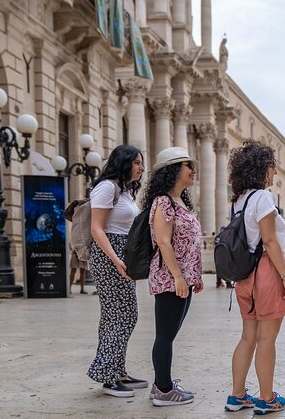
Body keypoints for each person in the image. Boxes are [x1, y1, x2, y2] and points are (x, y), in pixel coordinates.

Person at [225, 140, 285, 415]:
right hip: (266, 272)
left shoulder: (238, 201)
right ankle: (267, 398)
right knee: (267, 339)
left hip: (245, 276)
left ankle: (237, 395)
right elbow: (270, 241)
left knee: (248, 337)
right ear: (261, 168)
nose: (274, 174)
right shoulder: (263, 198)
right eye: (271, 167)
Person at [144, 147, 203, 407]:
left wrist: (194, 276)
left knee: (170, 333)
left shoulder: (181, 203)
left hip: (183, 279)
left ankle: (162, 383)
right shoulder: (163, 202)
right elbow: (164, 243)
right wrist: (179, 277)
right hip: (170, 280)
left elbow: (189, 243)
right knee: (165, 335)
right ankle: (164, 390)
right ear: (174, 170)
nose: (192, 170)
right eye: (187, 165)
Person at [86, 145, 146, 398]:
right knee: (124, 315)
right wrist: (116, 260)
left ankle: (118, 371)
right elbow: (97, 228)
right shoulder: (107, 187)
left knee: (114, 316)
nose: (141, 168)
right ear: (123, 162)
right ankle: (107, 376)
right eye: (136, 162)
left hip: (121, 254)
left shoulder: (125, 191)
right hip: (108, 255)